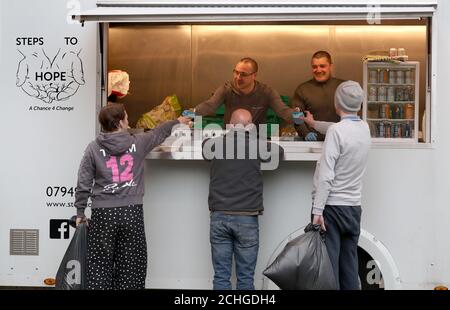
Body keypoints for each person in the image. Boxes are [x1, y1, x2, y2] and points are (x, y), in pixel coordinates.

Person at [74, 103, 190, 290]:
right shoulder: (138, 142)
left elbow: (83, 182)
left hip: (103, 214)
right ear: (120, 123)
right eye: (126, 118)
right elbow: (159, 133)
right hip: (131, 213)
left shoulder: (93, 148)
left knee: (99, 266)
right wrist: (178, 121)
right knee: (131, 267)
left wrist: (80, 211)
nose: (128, 121)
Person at [202, 109, 284, 290]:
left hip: (219, 217)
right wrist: (254, 137)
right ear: (251, 127)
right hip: (247, 218)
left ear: (230, 125)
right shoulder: (257, 145)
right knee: (246, 279)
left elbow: (205, 147)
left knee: (221, 277)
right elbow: (279, 152)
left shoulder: (215, 145)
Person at [304, 81, 371, 290]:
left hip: (332, 209)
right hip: (353, 208)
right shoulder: (364, 128)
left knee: (329, 270)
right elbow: (338, 128)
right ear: (359, 105)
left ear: (337, 103)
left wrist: (317, 210)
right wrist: (314, 124)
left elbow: (326, 176)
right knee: (349, 267)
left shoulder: (336, 132)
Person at [194, 57, 295, 127]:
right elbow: (209, 106)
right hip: (230, 138)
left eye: (243, 74)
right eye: (236, 72)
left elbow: (283, 111)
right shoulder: (226, 89)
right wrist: (189, 114)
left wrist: (300, 117)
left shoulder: (266, 92)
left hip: (256, 138)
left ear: (254, 75)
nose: (238, 77)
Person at [290, 51, 345, 141]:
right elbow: (296, 116)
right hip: (313, 143)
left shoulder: (343, 87)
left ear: (330, 66)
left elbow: (355, 112)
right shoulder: (302, 89)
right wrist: (306, 133)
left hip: (340, 141)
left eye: (322, 66)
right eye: (314, 67)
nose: (318, 70)